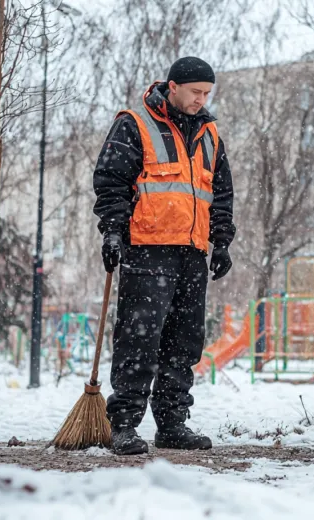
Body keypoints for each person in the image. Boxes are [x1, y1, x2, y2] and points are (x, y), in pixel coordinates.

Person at [92, 57, 236, 455]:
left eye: (207, 93)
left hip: (192, 252)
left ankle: (172, 423)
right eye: (195, 92)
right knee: (140, 339)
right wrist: (112, 231)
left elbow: (220, 192)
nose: (201, 100)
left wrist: (220, 240)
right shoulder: (134, 125)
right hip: (147, 249)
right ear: (172, 87)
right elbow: (111, 182)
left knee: (184, 341)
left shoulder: (210, 134)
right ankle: (123, 424)